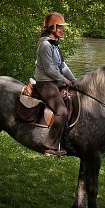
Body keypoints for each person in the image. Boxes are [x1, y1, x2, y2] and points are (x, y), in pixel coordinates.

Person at [34, 12, 78, 156]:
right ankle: (50, 147)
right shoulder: (45, 45)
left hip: (54, 82)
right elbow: (50, 70)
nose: (63, 30)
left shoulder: (55, 45)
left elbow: (63, 66)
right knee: (62, 111)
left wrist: (75, 80)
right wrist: (65, 81)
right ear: (52, 28)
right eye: (60, 27)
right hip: (45, 83)